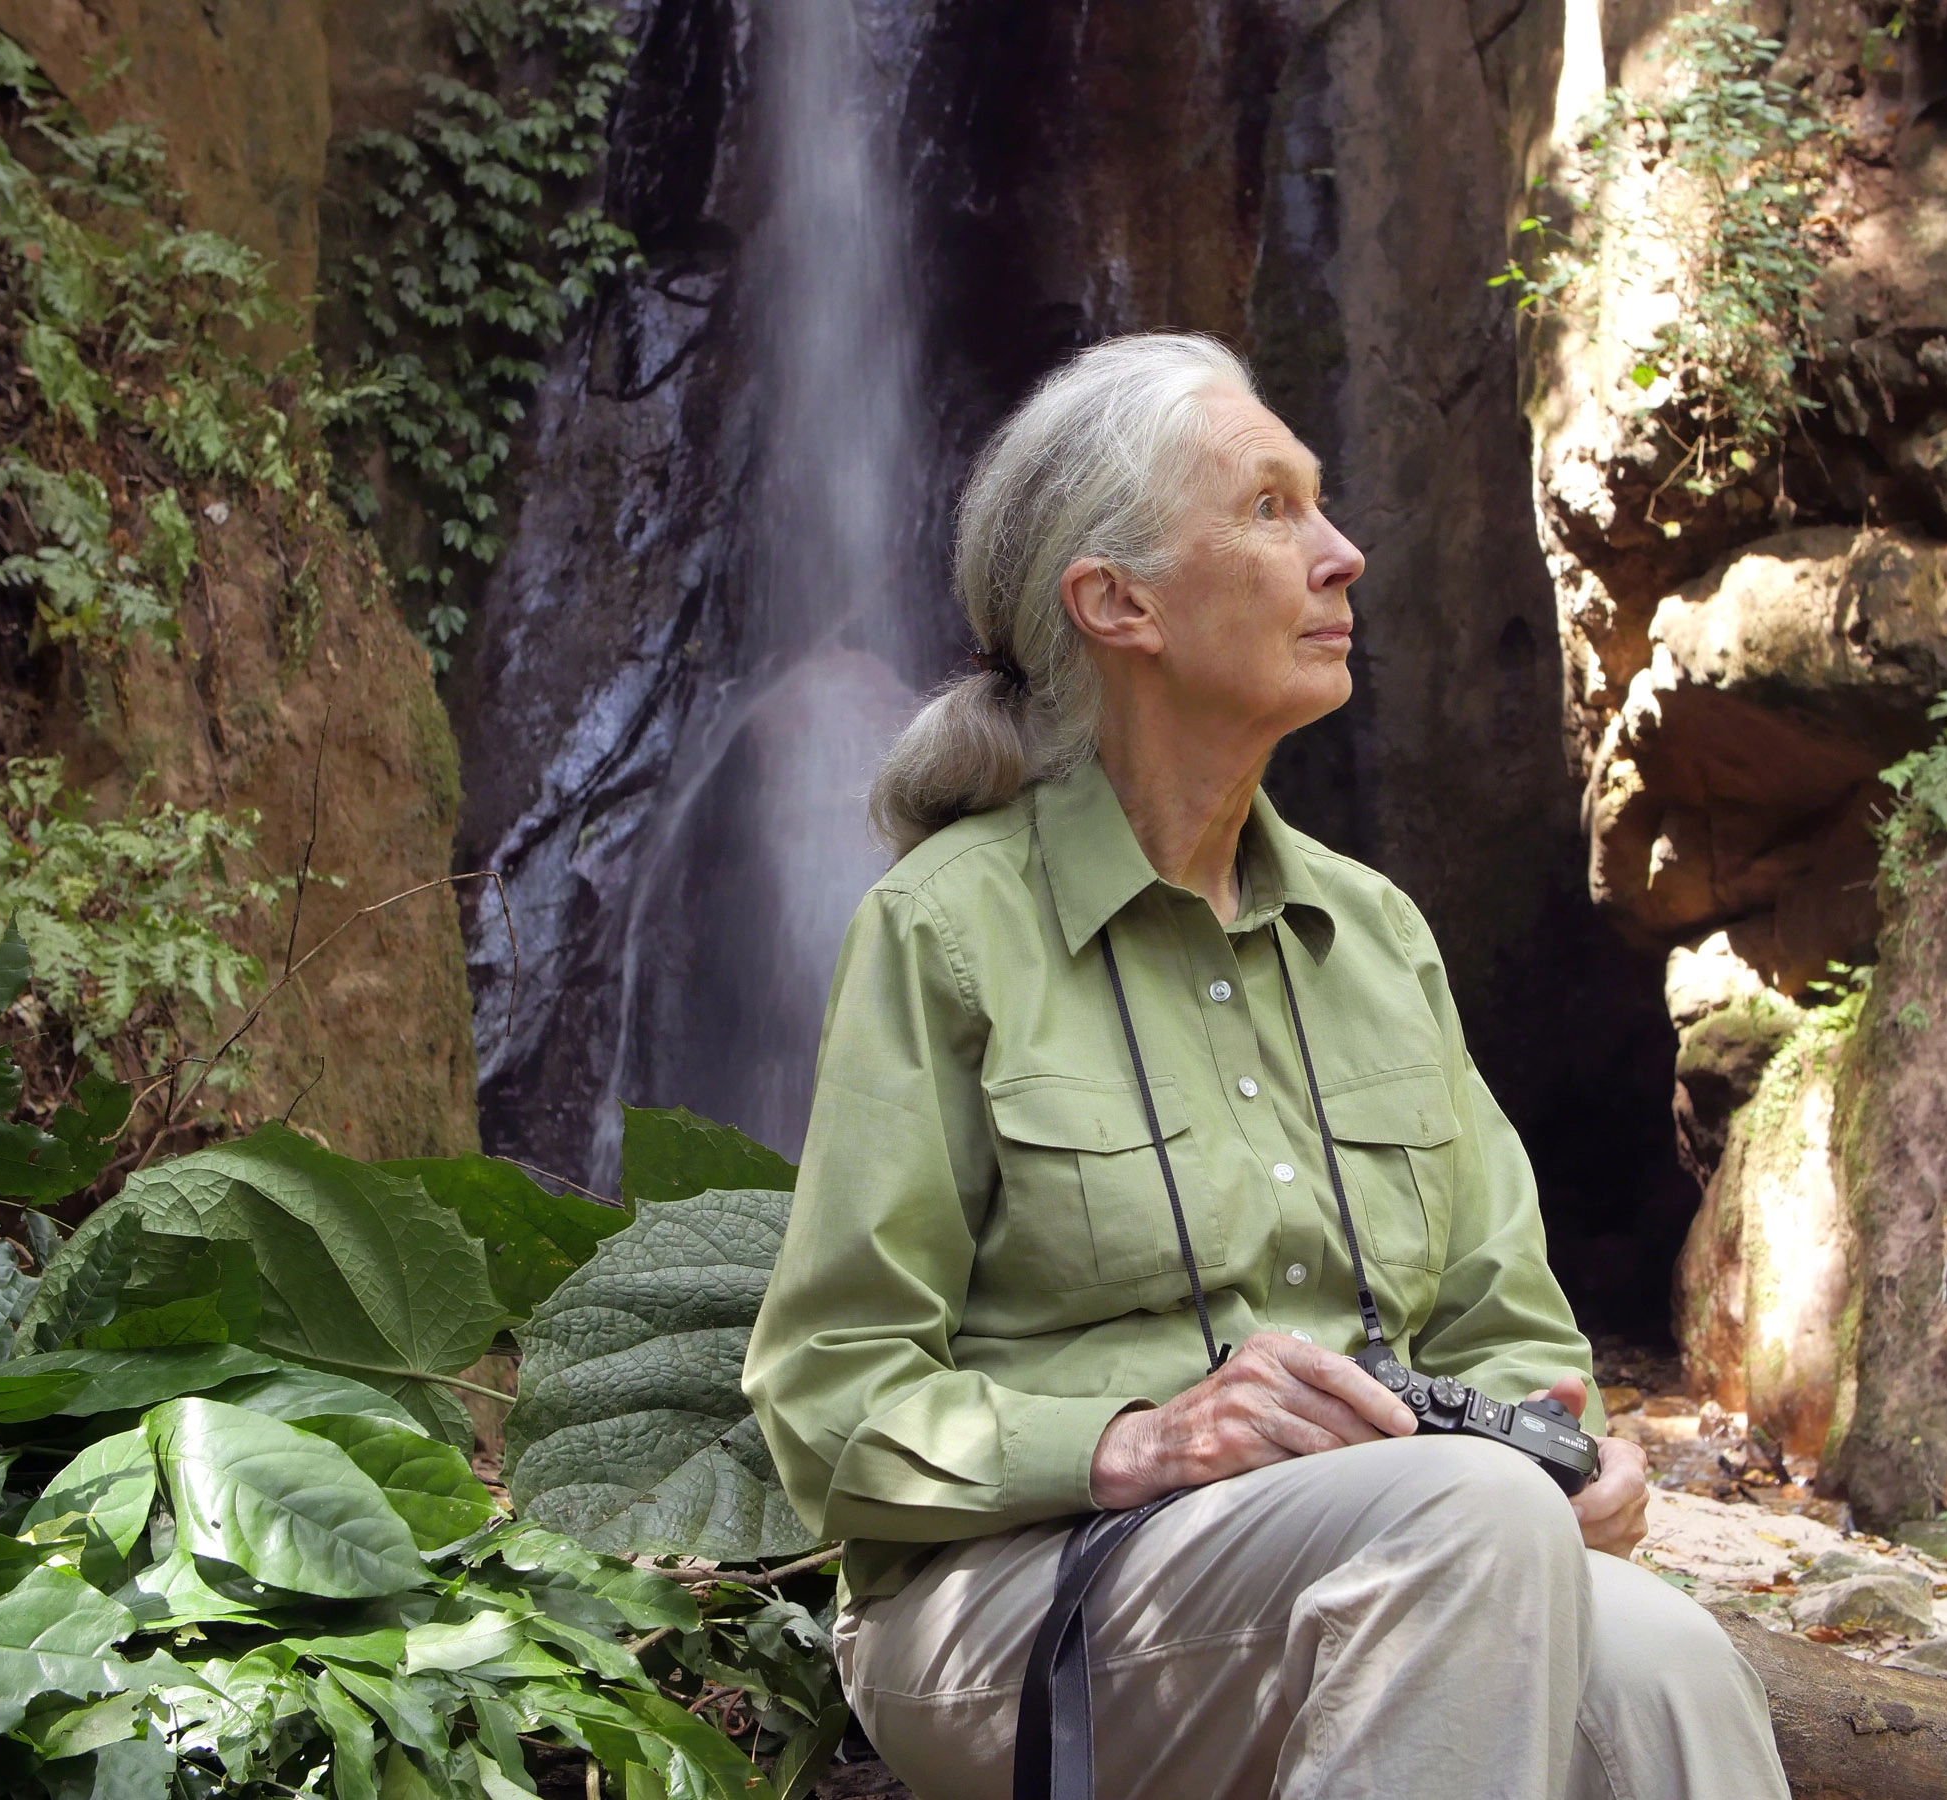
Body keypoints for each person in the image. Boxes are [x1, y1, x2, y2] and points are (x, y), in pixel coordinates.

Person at [741, 333, 1789, 1800]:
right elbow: (827, 1393)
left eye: (1324, 505)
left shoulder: (1374, 936)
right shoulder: (949, 931)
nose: (1344, 554)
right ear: (1118, 604)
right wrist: (1132, 1443)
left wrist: (1577, 1456)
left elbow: (1504, 1329)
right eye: (1270, 509)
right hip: (1021, 1600)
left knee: (1670, 1663)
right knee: (1463, 1520)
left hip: (1406, 1543)